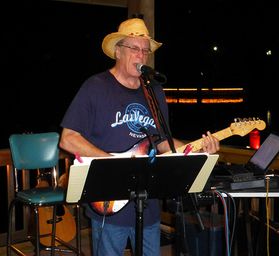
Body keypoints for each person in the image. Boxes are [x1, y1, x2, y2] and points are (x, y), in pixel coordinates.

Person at [59, 18, 220, 256]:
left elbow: (162, 141)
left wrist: (196, 148)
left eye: (145, 51)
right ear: (117, 51)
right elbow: (68, 138)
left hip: (149, 199)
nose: (141, 56)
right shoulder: (95, 87)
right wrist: (113, 162)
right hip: (109, 198)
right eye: (134, 48)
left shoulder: (153, 91)